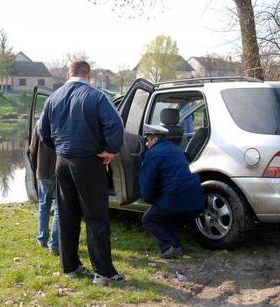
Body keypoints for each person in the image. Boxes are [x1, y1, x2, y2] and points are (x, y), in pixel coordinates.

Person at [38, 60, 125, 286]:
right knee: (96, 217)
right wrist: (110, 150)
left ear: (69, 74)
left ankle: (71, 267)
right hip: (88, 161)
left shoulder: (53, 98)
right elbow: (115, 124)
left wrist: (58, 147)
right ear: (88, 74)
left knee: (67, 215)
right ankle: (104, 273)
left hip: (62, 162)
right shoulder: (95, 96)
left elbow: (42, 131)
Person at [140, 124, 204, 259]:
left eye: (147, 140)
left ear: (154, 138)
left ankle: (170, 247)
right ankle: (176, 245)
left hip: (175, 198)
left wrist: (150, 200)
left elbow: (147, 184)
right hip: (195, 201)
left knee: (149, 219)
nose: (146, 144)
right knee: (168, 217)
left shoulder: (152, 155)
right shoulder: (177, 150)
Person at [29, 121, 59, 255]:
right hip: (60, 171)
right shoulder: (63, 120)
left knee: (43, 205)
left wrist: (36, 169)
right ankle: (55, 244)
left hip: (43, 172)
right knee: (59, 208)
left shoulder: (39, 123)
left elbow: (32, 150)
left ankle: (42, 239)